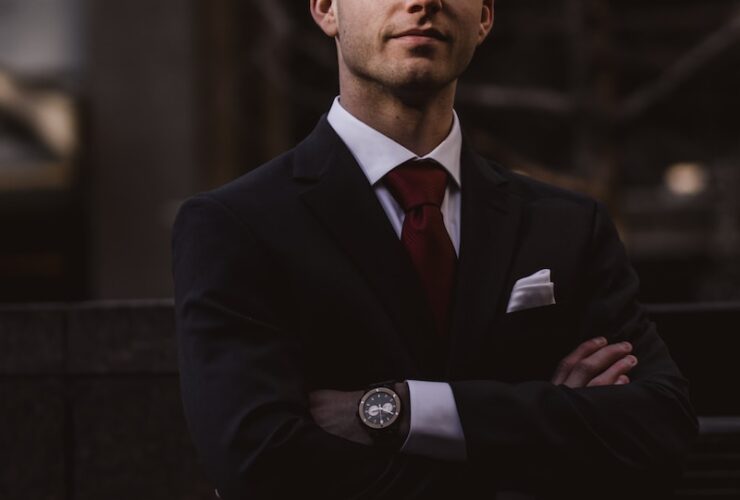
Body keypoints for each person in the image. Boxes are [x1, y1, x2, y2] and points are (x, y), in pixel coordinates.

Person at [171, 0, 698, 498]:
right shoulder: (236, 226)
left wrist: (402, 410)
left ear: (485, 15)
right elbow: (261, 467)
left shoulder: (569, 225)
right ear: (326, 8)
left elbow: (659, 433)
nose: (424, 0)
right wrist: (545, 441)